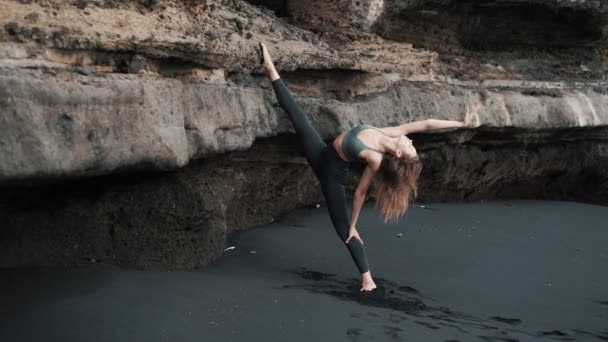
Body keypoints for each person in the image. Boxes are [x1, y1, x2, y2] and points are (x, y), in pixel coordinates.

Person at [259, 43, 477, 291]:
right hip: (321, 153)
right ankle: (270, 68)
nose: (411, 141)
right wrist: (460, 122)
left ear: (398, 153)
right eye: (412, 145)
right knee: (297, 115)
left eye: (410, 148)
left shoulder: (376, 158)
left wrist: (354, 224)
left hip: (332, 175)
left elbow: (361, 192)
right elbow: (426, 124)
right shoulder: (390, 134)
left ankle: (367, 279)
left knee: (344, 230)